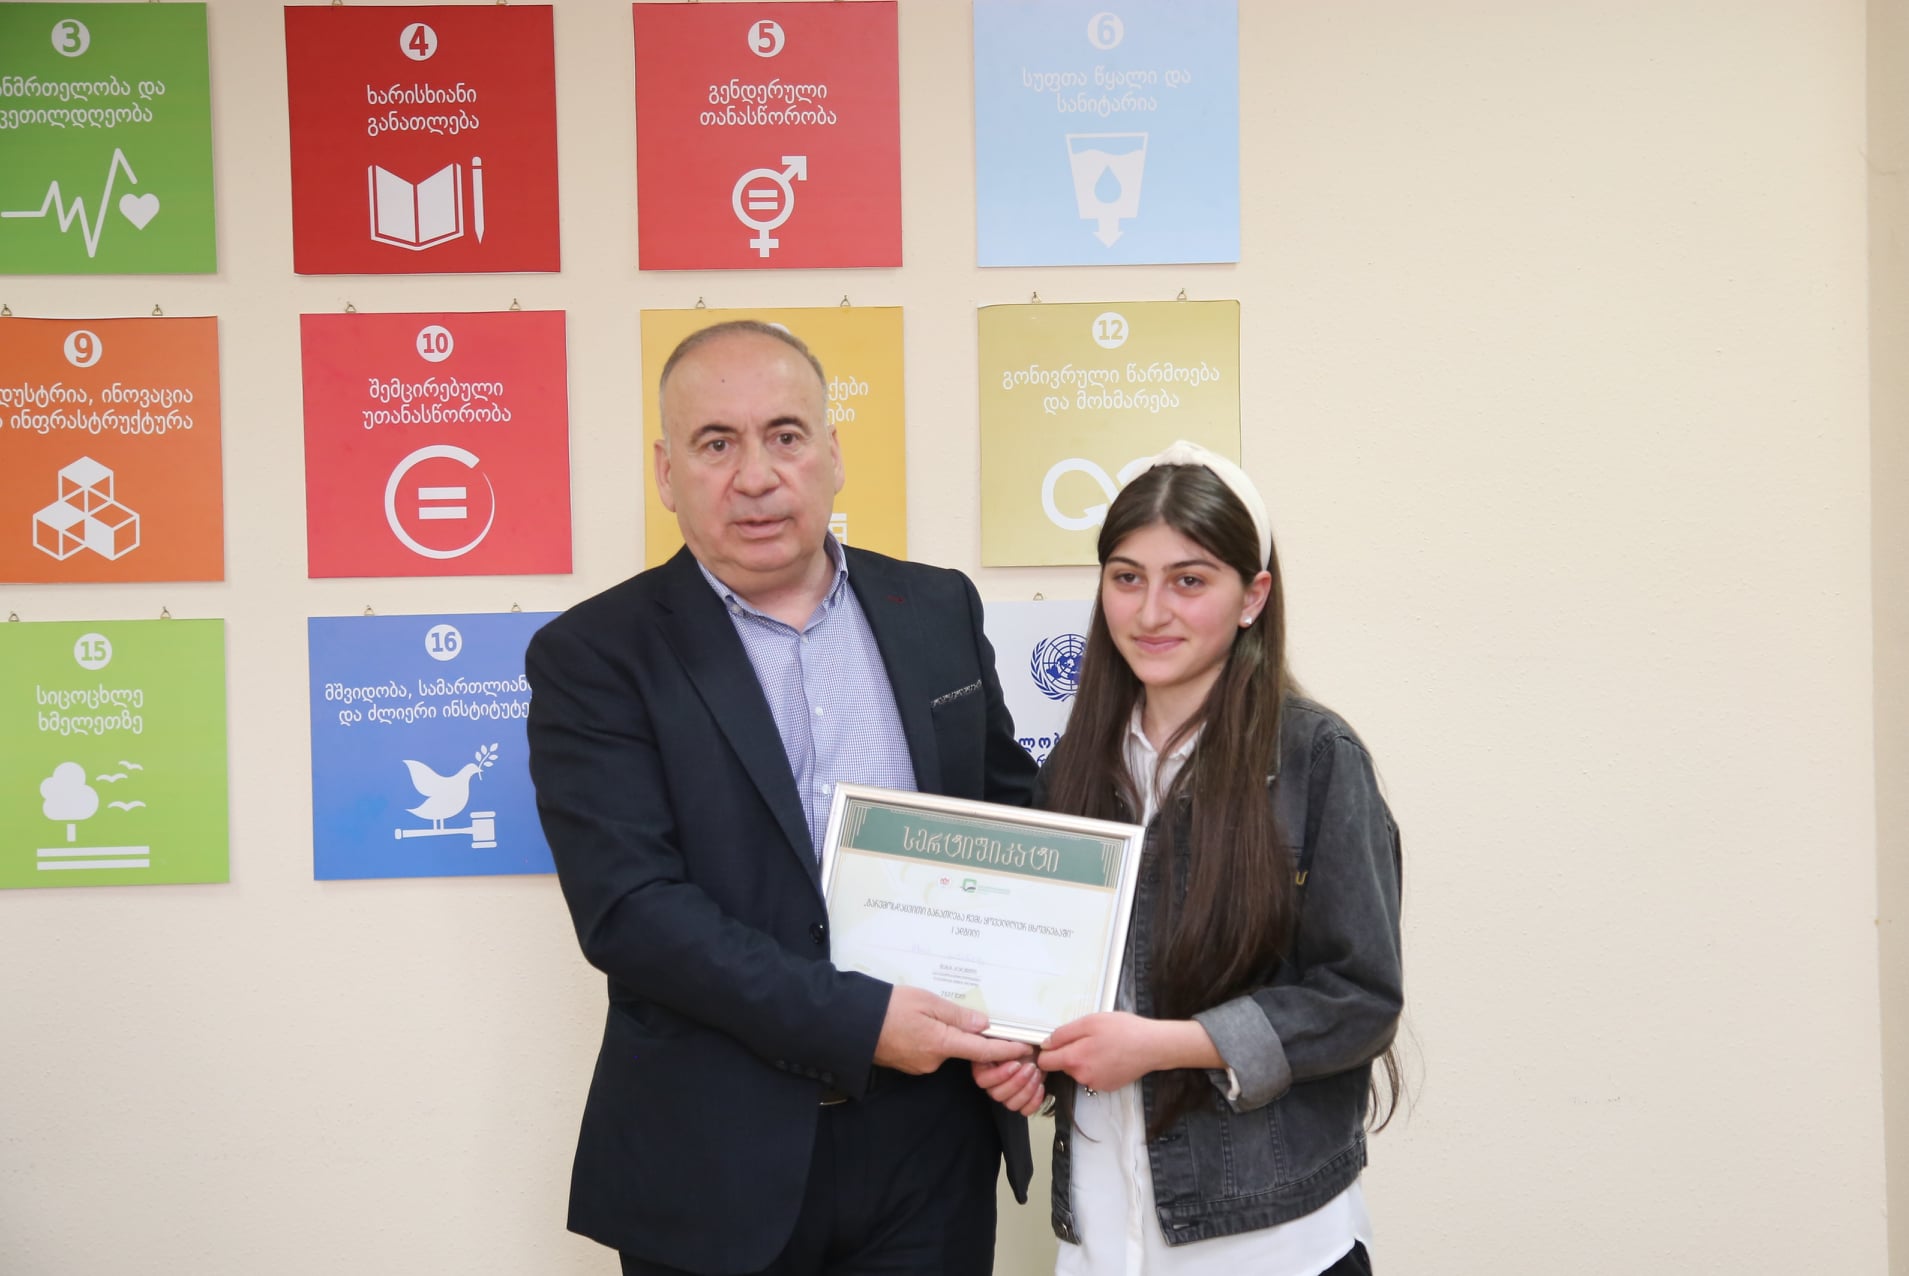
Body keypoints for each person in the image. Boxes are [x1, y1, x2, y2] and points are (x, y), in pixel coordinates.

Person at [526, 320, 1039, 1276]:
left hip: (931, 1147)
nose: (755, 476)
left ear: (833, 454)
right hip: (714, 1157)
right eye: (716, 443)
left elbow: (1013, 827)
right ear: (666, 472)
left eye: (786, 435)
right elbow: (631, 912)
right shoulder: (594, 656)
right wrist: (858, 1022)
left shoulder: (936, 610)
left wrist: (1032, 1015)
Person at [976, 441, 1404, 1276]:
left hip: (1272, 1239)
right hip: (1101, 1232)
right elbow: (1060, 982)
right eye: (1126, 577)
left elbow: (1359, 1001)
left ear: (1253, 597)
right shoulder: (1073, 770)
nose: (1149, 612)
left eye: (1189, 580)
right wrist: (1026, 1057)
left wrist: (1168, 1044)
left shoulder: (1315, 758)